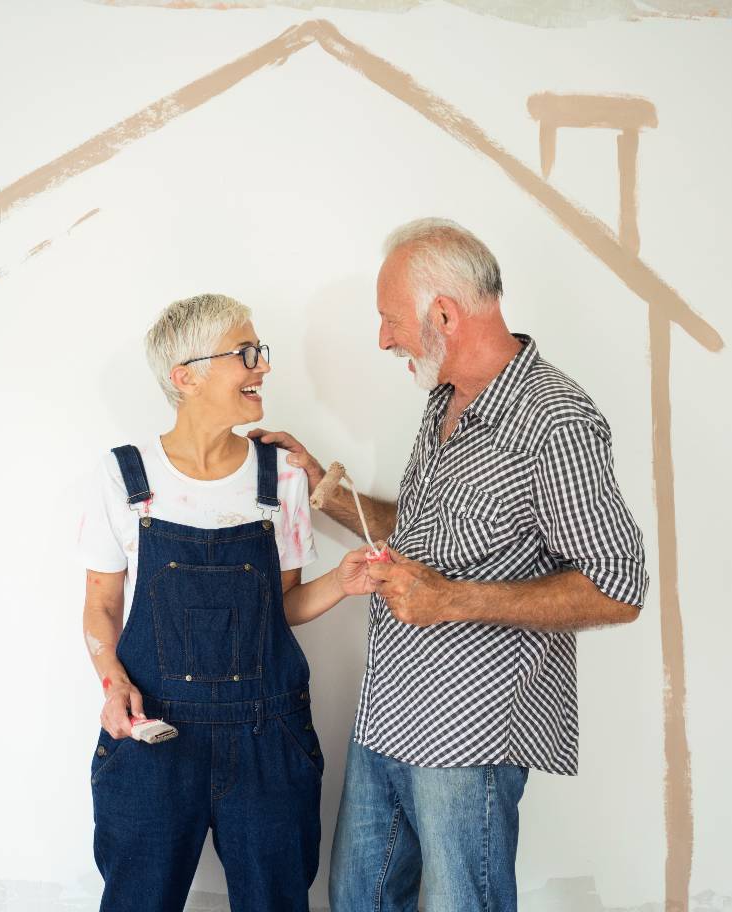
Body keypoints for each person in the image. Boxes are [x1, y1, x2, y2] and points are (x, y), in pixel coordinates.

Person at [251, 218, 649, 912]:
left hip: (470, 735)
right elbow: (428, 531)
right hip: (387, 715)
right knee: (358, 901)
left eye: (389, 320)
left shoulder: (556, 422)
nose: (382, 339)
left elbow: (617, 586)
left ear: (443, 314)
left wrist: (454, 601)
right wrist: (324, 486)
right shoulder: (443, 398)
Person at [77, 293, 374, 912]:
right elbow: (102, 604)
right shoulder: (126, 477)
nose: (262, 366)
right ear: (185, 376)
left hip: (268, 736)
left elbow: (281, 606)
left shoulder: (282, 475)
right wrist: (113, 683)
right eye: (246, 353)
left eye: (259, 352)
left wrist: (343, 582)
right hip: (152, 734)